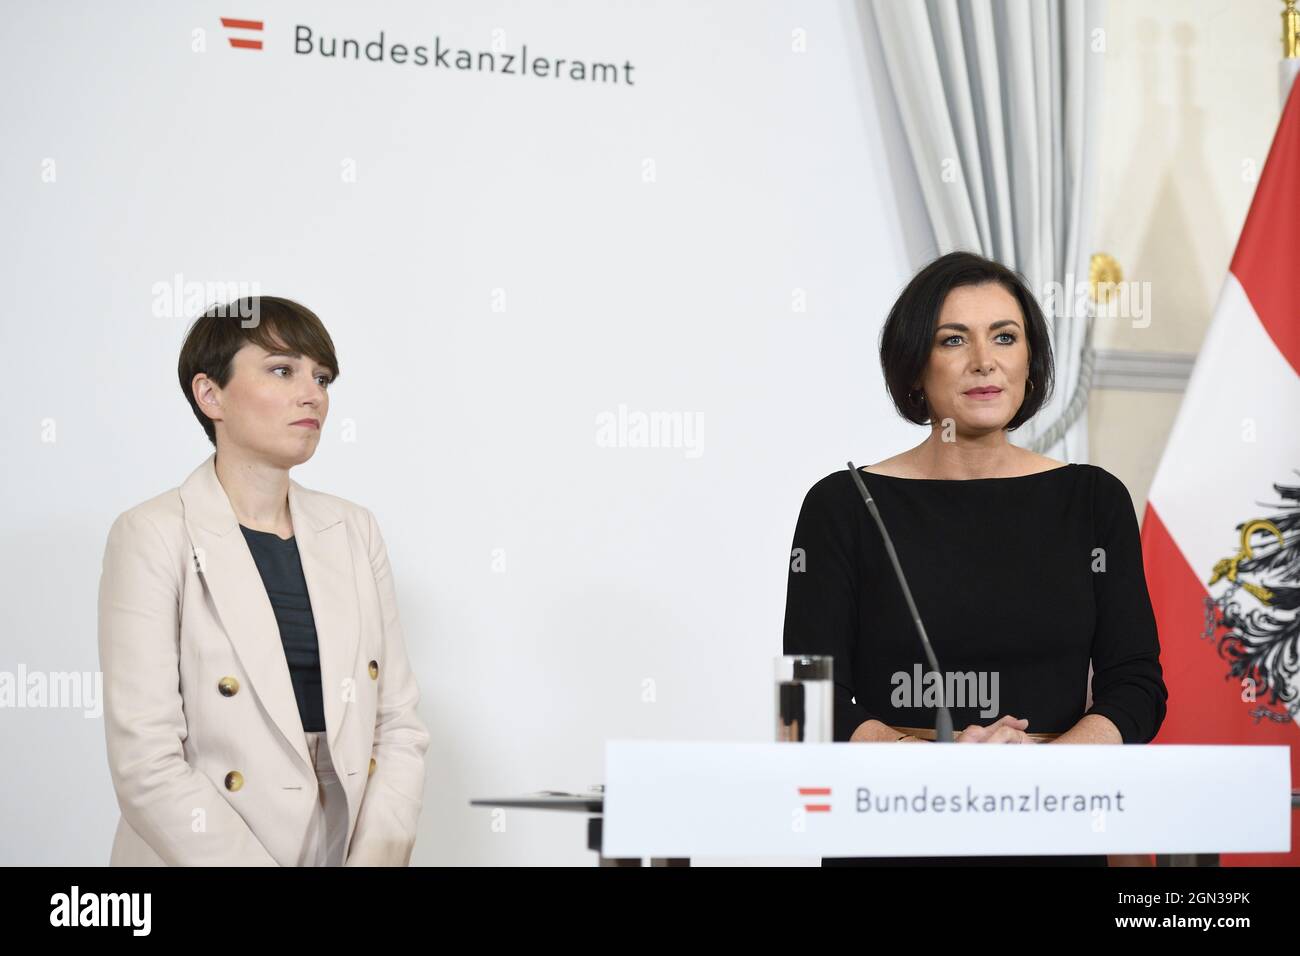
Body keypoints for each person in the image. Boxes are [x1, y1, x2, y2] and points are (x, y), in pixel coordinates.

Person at [782, 251, 1168, 866]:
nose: (984, 361)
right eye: (953, 339)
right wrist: (936, 768)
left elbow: (1136, 686)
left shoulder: (1094, 500)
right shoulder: (844, 505)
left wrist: (1037, 773)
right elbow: (808, 701)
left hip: (1055, 824)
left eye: (1005, 338)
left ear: (1029, 363)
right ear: (914, 369)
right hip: (896, 826)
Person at [97, 296, 430, 866]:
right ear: (210, 395)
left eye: (321, 377)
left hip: (340, 849)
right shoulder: (151, 534)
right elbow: (146, 764)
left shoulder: (354, 530)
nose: (313, 394)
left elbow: (398, 725)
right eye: (283, 370)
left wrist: (374, 859)